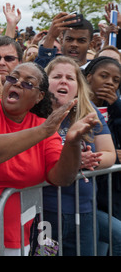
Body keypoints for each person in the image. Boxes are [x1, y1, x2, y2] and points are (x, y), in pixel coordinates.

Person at [0, 61, 100, 256]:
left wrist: (72, 143)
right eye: (13, 78)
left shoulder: (44, 127)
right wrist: (43, 130)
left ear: (39, 96)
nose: (17, 83)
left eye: (27, 83)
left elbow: (61, 178)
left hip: (18, 239)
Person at [40, 56, 116, 256]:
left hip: (84, 212)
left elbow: (109, 154)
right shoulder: (35, 115)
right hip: (46, 214)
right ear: (45, 82)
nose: (64, 81)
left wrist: (88, 161)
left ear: (78, 86)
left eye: (70, 78)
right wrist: (72, 161)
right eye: (57, 76)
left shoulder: (89, 112)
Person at [83, 56, 121, 255]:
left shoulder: (116, 110)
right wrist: (110, 155)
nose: (109, 83)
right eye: (104, 76)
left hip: (110, 196)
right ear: (89, 77)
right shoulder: (79, 107)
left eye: (115, 80)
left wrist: (118, 108)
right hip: (82, 199)